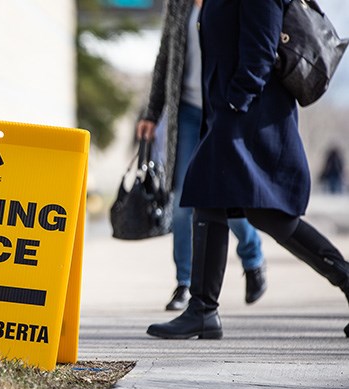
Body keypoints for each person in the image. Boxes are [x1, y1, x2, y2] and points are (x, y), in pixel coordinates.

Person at [147, 0, 349, 339]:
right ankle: (203, 311)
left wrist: (234, 103)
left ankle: (203, 310)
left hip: (251, 117)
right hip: (230, 115)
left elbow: (262, 47)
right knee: (222, 201)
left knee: (265, 214)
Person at [137, 0, 266, 311]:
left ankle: (252, 256)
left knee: (225, 199)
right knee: (183, 201)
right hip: (188, 113)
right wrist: (151, 113)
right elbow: (165, 56)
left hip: (223, 111)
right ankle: (185, 283)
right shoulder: (178, 5)